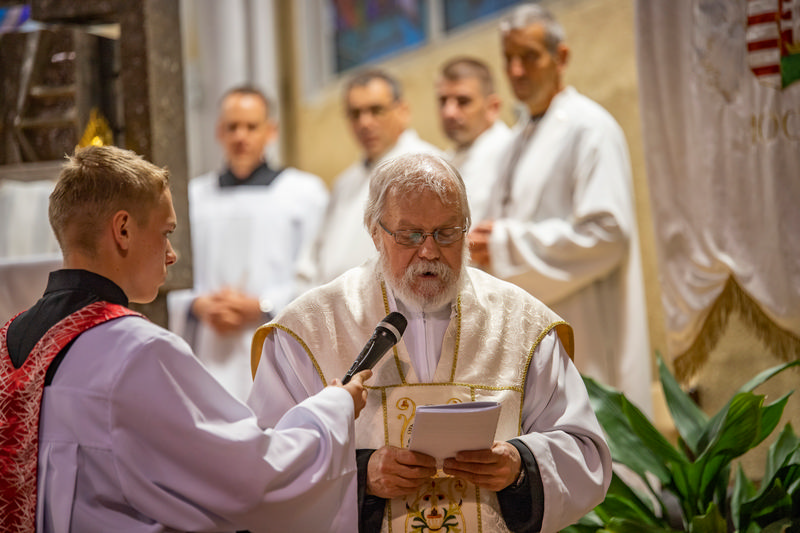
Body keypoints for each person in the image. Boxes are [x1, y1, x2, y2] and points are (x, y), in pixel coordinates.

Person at [0, 145, 370, 533]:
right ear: (123, 230)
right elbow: (252, 477)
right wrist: (335, 408)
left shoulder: (10, 341)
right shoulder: (133, 350)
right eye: (166, 233)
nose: (171, 254)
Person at [250, 153, 611, 533]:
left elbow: (584, 453)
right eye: (410, 235)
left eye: (446, 233)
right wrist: (361, 476)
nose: (429, 251)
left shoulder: (523, 323)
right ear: (375, 233)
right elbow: (266, 464)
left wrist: (519, 465)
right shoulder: (310, 328)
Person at [469, 3, 653, 416]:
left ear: (561, 57)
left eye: (529, 56)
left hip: (586, 328)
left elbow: (607, 235)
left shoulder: (590, 128)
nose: (516, 70)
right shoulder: (516, 140)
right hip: (533, 331)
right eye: (509, 58)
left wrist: (504, 245)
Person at [167, 85, 328, 401]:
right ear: (219, 132)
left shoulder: (304, 194)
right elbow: (168, 272)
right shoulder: (192, 198)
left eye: (251, 126)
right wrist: (196, 305)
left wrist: (264, 306)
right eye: (232, 127)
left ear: (271, 131)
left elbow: (320, 278)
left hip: (277, 347)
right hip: (208, 349)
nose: (241, 136)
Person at [295, 69, 442, 293]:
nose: (364, 122)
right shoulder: (345, 183)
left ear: (402, 111)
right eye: (355, 114)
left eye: (376, 110)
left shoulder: (427, 168)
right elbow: (315, 257)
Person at [436, 56, 513, 223]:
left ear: (493, 107)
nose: (449, 112)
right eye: (443, 101)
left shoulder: (510, 154)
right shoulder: (446, 160)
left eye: (463, 101)